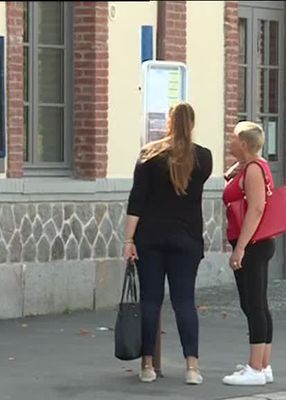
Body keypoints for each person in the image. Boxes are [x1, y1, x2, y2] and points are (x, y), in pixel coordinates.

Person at [124, 102, 213, 385]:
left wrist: (129, 239)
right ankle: (192, 367)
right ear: (193, 123)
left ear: (168, 123)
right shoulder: (204, 158)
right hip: (187, 239)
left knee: (150, 301)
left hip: (150, 237)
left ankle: (148, 365)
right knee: (184, 302)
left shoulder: (149, 155)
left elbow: (136, 201)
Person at [221, 121, 275, 386]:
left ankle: (255, 369)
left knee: (254, 305)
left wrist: (240, 248)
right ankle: (263, 365)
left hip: (252, 244)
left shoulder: (254, 169)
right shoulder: (256, 165)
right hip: (257, 243)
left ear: (243, 143)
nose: (229, 143)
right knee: (258, 304)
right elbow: (230, 179)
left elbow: (255, 209)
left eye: (233, 139)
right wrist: (238, 165)